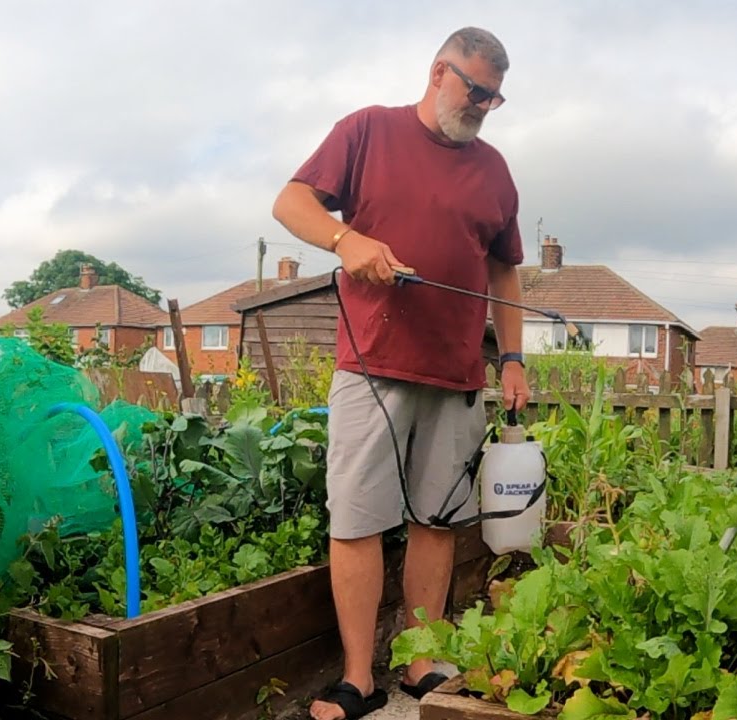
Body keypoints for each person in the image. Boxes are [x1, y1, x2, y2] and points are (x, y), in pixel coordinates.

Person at [271, 26, 531, 720]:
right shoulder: (367, 132)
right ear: (438, 71)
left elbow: (505, 266)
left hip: (456, 374)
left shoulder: (495, 169)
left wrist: (511, 356)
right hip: (372, 364)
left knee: (437, 520)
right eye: (475, 89)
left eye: (494, 97)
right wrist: (344, 237)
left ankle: (420, 663)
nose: (481, 104)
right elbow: (290, 200)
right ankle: (357, 679)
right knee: (357, 519)